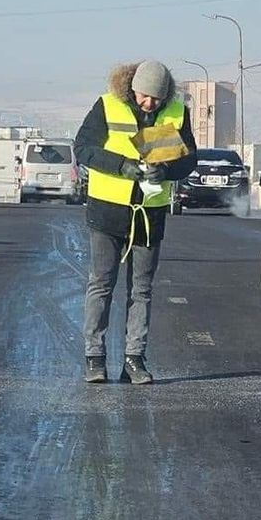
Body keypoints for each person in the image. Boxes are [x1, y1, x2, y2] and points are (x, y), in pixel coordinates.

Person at [75, 60, 197, 385]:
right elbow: (83, 149)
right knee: (102, 284)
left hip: (148, 212)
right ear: (132, 88)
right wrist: (121, 166)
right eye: (144, 96)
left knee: (141, 289)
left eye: (156, 99)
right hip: (107, 211)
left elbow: (189, 159)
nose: (149, 104)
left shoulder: (175, 112)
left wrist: (167, 171)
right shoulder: (108, 105)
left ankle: (134, 360)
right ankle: (94, 358)